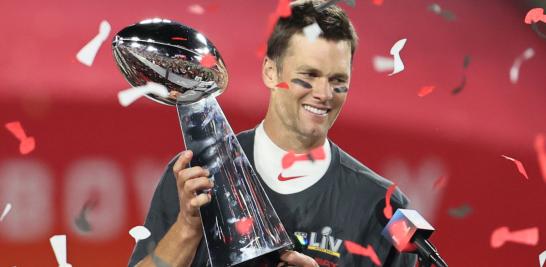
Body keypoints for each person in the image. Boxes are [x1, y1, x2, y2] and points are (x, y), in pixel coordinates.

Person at [129, 1, 417, 266]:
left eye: (337, 80)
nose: (324, 93)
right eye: (309, 76)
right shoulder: (196, 178)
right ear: (270, 71)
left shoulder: (381, 207)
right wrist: (187, 228)